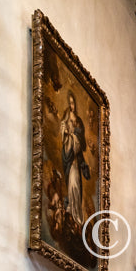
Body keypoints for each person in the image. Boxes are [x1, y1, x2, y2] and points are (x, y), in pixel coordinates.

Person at [61, 92, 91, 227]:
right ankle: (70, 209)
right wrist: (66, 133)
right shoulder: (66, 117)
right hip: (68, 157)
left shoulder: (78, 120)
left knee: (77, 185)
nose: (71, 105)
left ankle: (76, 213)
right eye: (70, 102)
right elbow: (63, 135)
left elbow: (82, 145)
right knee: (71, 183)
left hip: (76, 159)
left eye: (73, 103)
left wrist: (75, 134)